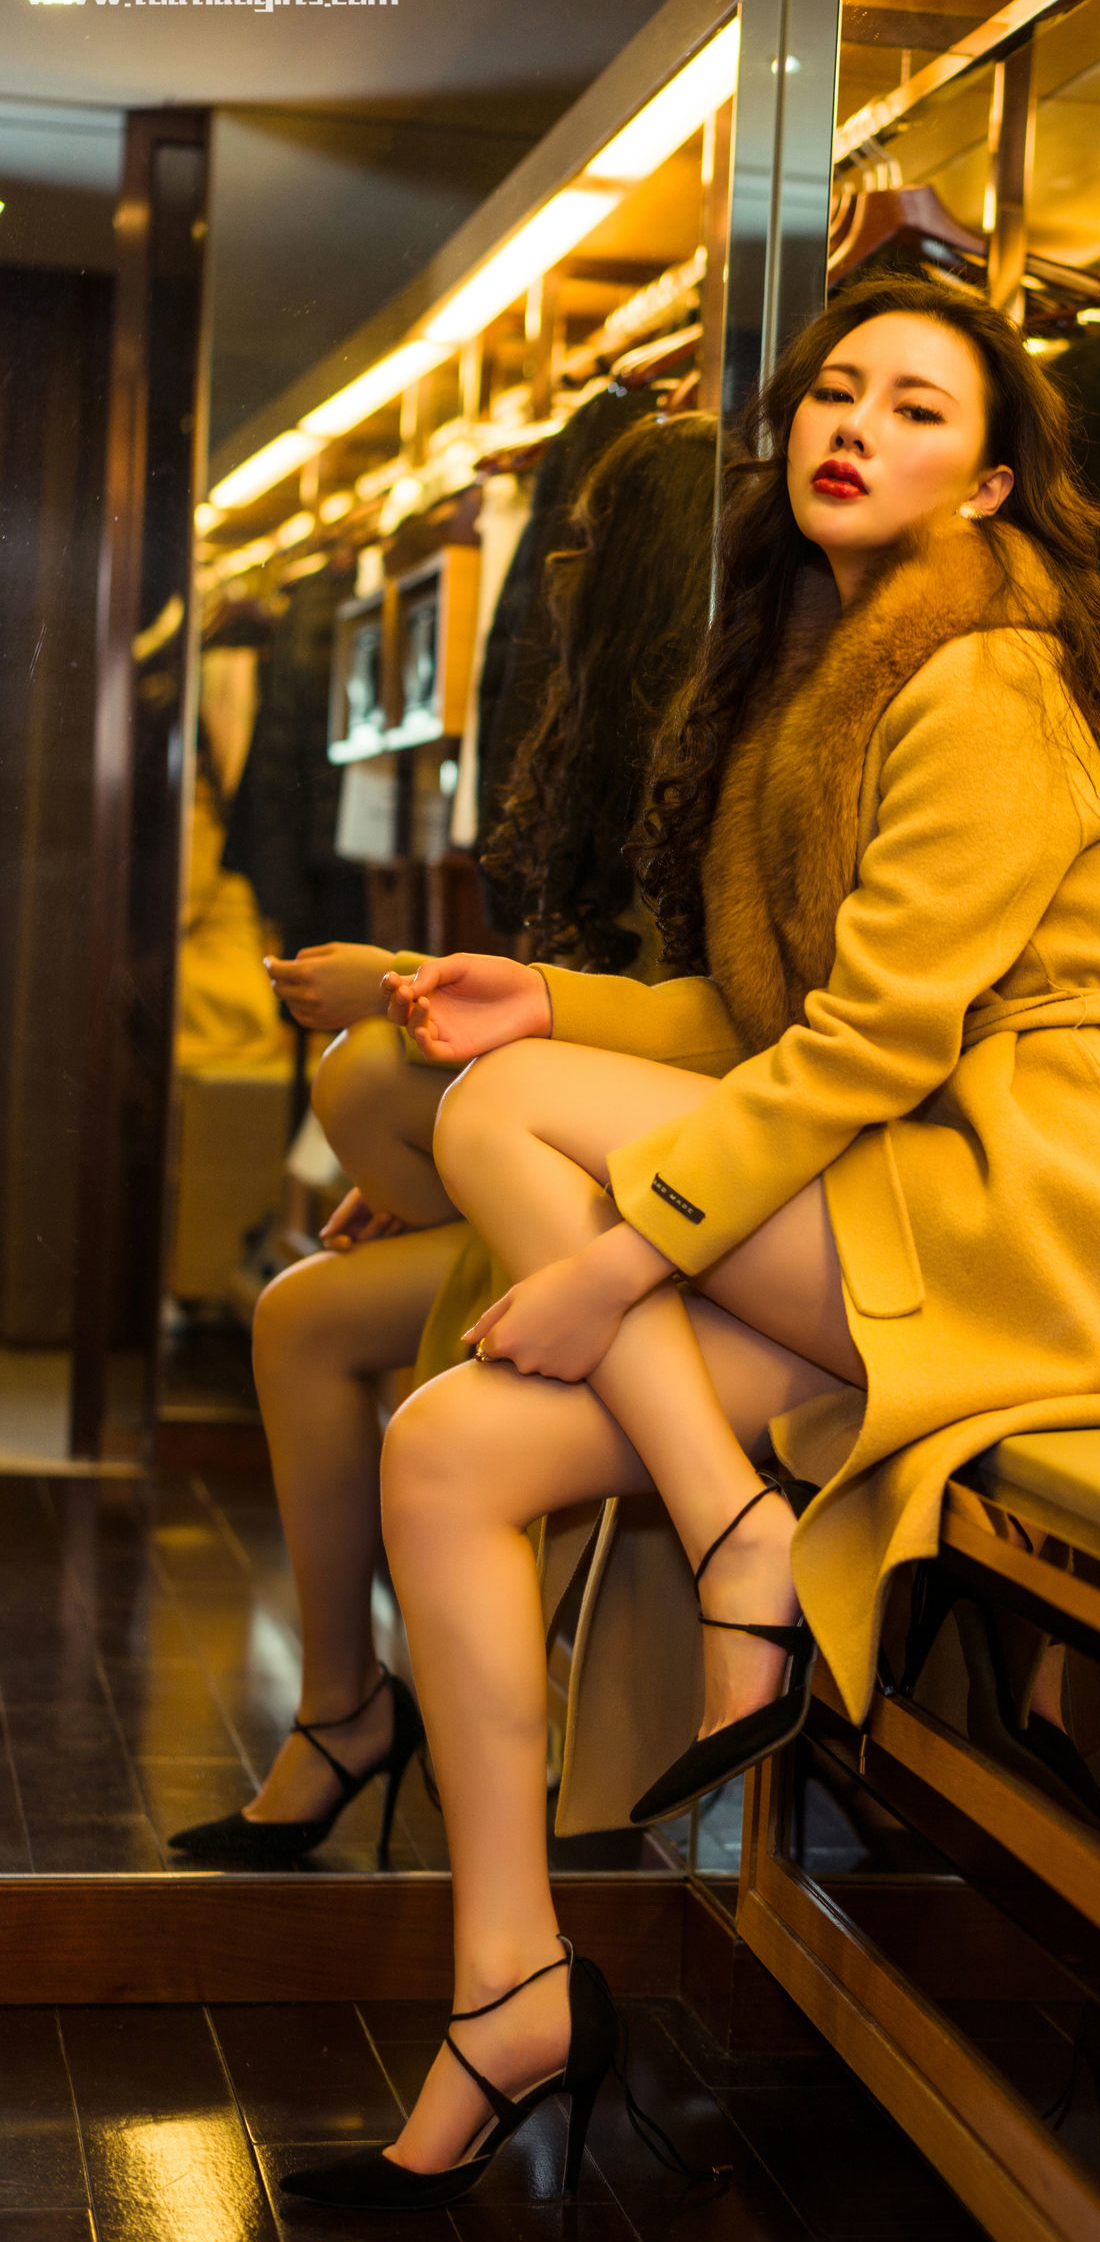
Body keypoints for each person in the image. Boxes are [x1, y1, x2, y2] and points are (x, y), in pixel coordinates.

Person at [279, 276, 1100, 2208]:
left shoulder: (987, 677)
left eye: (916, 408)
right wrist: (547, 998)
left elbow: (874, 1041)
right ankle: (509, 1991)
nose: (855, 426)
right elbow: (758, 1028)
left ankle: (735, 1535)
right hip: (886, 1206)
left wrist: (616, 1258)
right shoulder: (818, 679)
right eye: (835, 392)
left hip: (1039, 1209)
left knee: (492, 1121)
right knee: (444, 1450)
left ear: (990, 486)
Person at [167, 412, 723, 1869]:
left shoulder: (738, 754)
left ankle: (404, 1737)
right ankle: (344, 1710)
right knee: (299, 1313)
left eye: (588, 539)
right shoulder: (625, 748)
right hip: (593, 1164)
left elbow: (717, 1031)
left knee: (364, 1075)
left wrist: (404, 989)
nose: (557, 569)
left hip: (687, 1190)